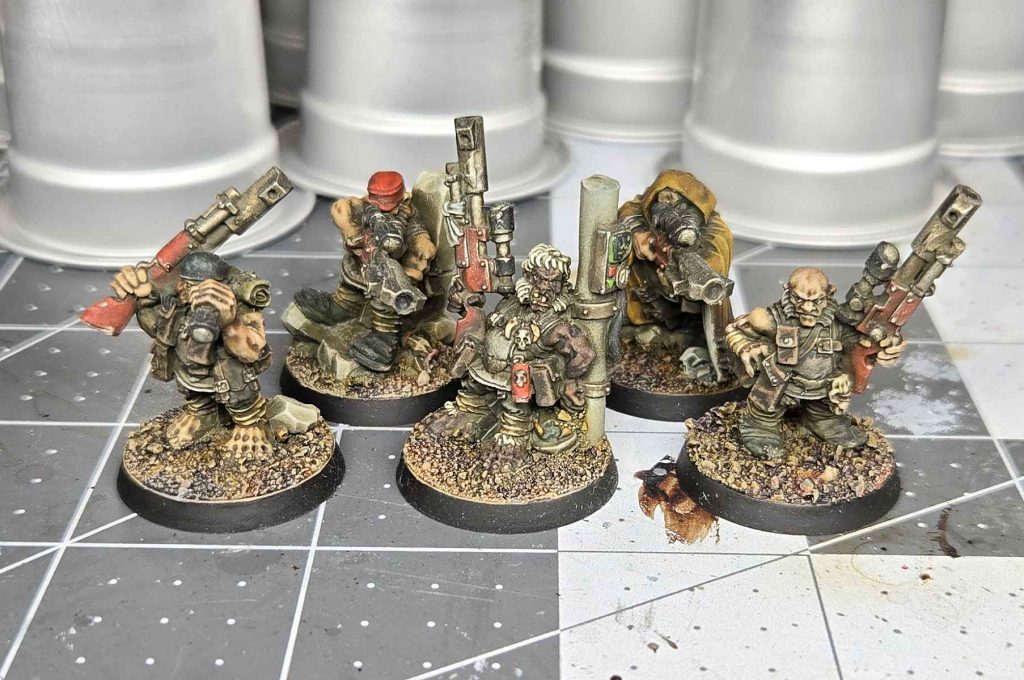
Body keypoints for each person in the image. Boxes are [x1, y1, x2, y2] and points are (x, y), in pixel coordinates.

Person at [725, 266, 907, 459]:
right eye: (799, 300)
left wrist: (884, 347)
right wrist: (745, 347)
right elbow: (733, 330)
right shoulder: (772, 317)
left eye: (816, 301)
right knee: (764, 411)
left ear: (830, 293)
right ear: (787, 291)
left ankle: (821, 419)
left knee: (825, 410)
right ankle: (759, 427)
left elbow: (858, 344)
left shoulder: (838, 320)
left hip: (822, 386)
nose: (807, 308)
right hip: (779, 386)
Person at [110, 251, 273, 458]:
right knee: (193, 390)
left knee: (239, 393)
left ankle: (249, 424)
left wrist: (229, 323)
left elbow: (252, 351)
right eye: (186, 285)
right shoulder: (177, 303)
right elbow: (156, 328)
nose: (189, 291)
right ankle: (203, 413)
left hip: (226, 373)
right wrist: (143, 301)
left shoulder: (237, 307)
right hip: (188, 368)